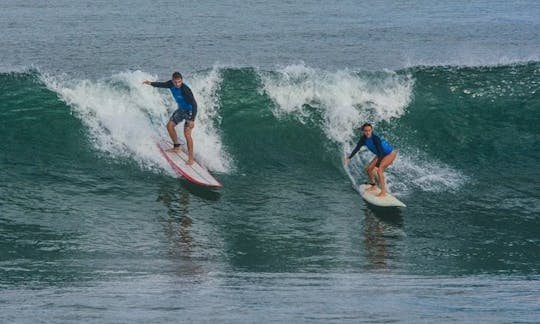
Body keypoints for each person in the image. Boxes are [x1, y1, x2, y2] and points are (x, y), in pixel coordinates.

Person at [143, 72, 198, 165]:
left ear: (182, 80)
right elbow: (162, 84)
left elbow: (194, 104)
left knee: (187, 134)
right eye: (175, 82)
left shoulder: (185, 90)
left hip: (190, 111)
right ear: (172, 80)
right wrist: (151, 83)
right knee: (169, 126)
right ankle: (176, 147)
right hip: (181, 110)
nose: (177, 84)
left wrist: (192, 119)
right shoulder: (170, 84)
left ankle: (191, 158)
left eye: (179, 82)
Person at [344, 123, 397, 197]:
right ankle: (373, 186)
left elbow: (381, 152)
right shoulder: (363, 139)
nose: (368, 132)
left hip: (389, 154)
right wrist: (349, 158)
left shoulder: (375, 138)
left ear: (372, 130)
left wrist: (377, 166)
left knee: (379, 170)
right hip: (380, 154)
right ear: (363, 131)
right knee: (369, 169)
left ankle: (383, 192)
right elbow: (357, 148)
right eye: (365, 131)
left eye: (369, 130)